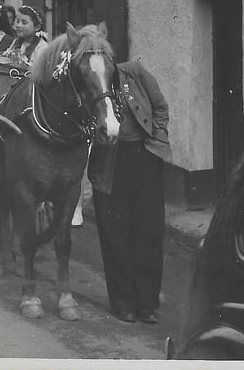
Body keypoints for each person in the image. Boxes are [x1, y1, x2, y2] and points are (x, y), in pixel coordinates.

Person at [89, 60, 170, 324]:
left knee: (149, 228)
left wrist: (157, 139)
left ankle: (147, 303)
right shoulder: (87, 81)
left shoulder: (134, 72)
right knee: (114, 231)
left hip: (144, 156)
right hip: (109, 161)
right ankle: (123, 302)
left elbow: (160, 106)